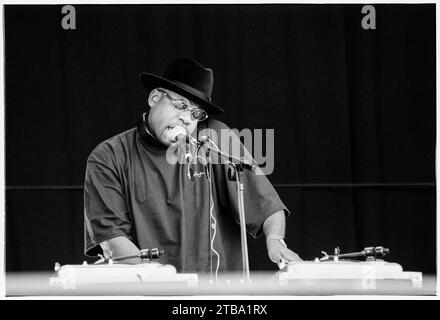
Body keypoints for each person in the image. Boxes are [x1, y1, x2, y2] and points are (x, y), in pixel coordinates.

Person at [84, 57, 302, 274]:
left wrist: (275, 240)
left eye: (196, 113)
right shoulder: (108, 156)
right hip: (149, 289)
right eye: (181, 106)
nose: (187, 119)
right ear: (154, 97)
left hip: (219, 295)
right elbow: (112, 238)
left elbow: (267, 205)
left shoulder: (215, 138)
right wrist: (157, 278)